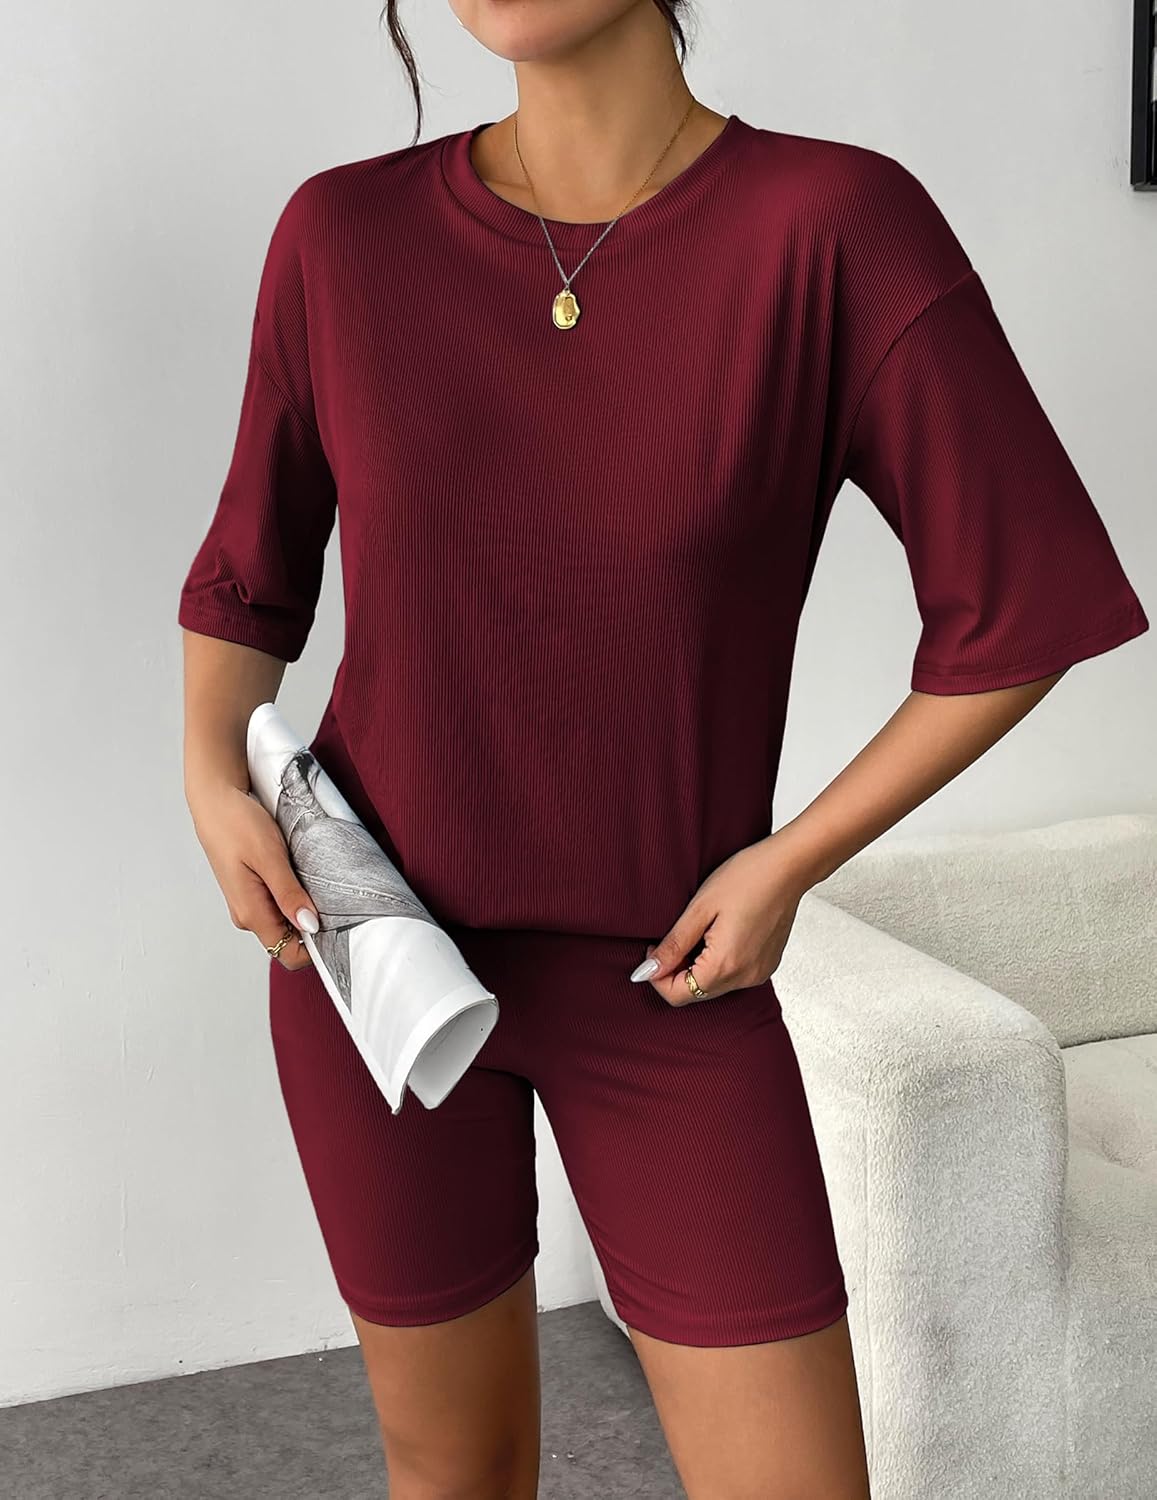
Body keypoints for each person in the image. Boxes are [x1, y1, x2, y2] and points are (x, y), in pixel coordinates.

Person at [176, 2, 1149, 1496]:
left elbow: (1021, 610)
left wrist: (787, 863)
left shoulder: (829, 229)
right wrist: (209, 777)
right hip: (374, 964)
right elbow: (251, 576)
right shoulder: (342, 236)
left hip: (672, 984)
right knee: (451, 1476)